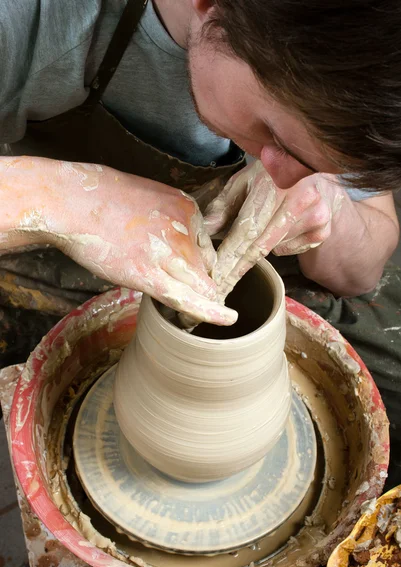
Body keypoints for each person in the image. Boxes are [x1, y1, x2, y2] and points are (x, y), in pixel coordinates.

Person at [1, 0, 400, 483]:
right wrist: (67, 200)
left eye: (314, 163)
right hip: (38, 242)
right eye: (274, 135)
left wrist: (329, 204)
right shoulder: (32, 17)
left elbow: (365, 266)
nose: (284, 174)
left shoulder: (369, 57)